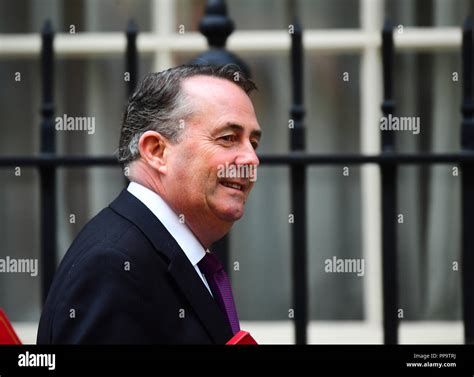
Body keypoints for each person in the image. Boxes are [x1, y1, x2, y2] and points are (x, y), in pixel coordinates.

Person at [36, 64, 261, 344]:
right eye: (228, 138)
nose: (251, 159)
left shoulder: (160, 253)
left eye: (253, 142)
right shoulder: (112, 267)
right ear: (156, 151)